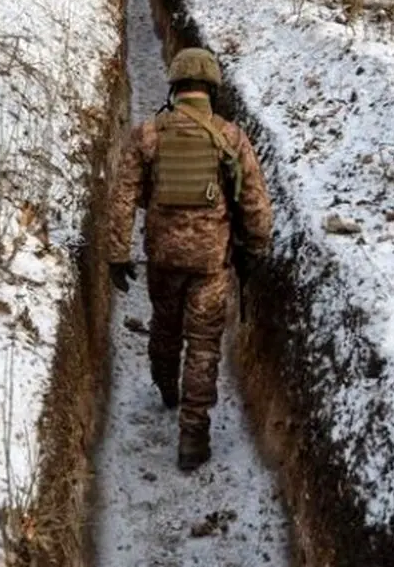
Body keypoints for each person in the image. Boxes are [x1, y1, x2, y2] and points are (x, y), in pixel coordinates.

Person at [106, 47, 273, 471]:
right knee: (203, 345)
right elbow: (255, 204)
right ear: (211, 89)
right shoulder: (230, 138)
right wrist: (255, 249)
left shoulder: (147, 135)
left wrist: (116, 254)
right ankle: (193, 436)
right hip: (210, 262)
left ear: (175, 86)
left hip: (162, 257)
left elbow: (123, 198)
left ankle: (166, 385)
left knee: (164, 325)